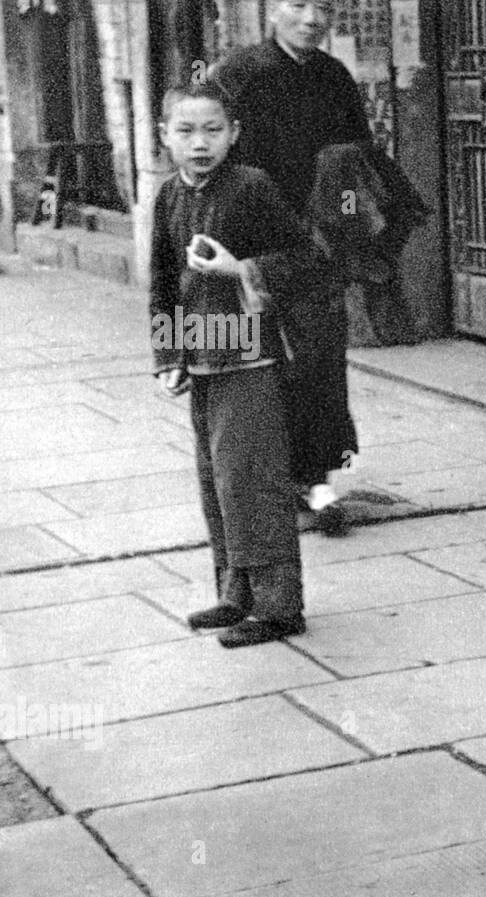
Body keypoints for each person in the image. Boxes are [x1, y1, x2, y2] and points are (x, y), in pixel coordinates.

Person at [150, 83, 328, 647]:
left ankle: (279, 609)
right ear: (165, 137)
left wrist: (241, 269)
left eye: (212, 130)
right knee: (216, 483)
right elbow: (161, 283)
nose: (199, 143)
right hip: (200, 359)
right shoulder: (168, 196)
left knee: (253, 480)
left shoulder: (251, 187)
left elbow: (309, 258)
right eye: (185, 131)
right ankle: (235, 594)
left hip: (251, 358)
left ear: (234, 134)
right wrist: (168, 356)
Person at [210, 0, 370, 535]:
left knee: (322, 358)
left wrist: (345, 228)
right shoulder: (237, 75)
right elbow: (211, 156)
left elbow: (356, 162)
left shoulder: (334, 77)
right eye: (297, 4)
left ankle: (319, 477)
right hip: (250, 242)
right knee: (256, 359)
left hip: (316, 245)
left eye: (323, 6)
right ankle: (259, 477)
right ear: (272, 10)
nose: (311, 18)